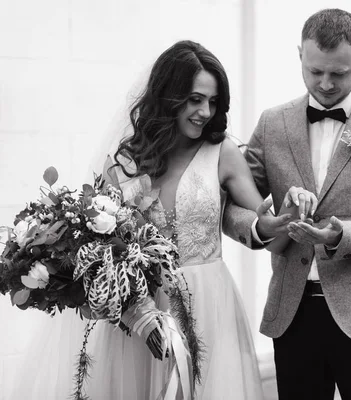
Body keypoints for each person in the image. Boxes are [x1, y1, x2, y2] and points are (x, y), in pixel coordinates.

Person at [9, 40, 296, 400]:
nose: (205, 111)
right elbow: (101, 250)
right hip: (140, 311)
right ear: (168, 96)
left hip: (209, 303)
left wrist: (281, 221)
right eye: (194, 99)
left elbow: (265, 225)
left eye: (212, 101)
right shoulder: (125, 165)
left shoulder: (222, 153)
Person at [227, 8, 351, 400]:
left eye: (339, 73)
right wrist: (265, 227)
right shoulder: (273, 123)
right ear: (300, 54)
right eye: (315, 71)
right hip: (293, 314)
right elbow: (233, 203)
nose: (327, 83)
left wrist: (341, 234)